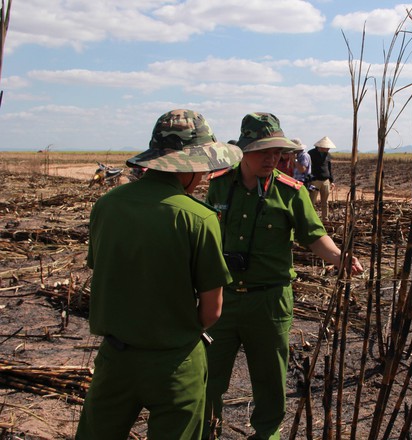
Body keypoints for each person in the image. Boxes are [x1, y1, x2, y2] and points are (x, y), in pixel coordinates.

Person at [76, 109, 243, 440]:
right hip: (176, 362)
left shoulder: (108, 205)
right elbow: (212, 311)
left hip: (114, 358)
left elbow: (104, 271)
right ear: (190, 166)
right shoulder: (200, 218)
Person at [204, 112, 363, 440]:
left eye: (277, 152)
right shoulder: (219, 186)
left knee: (270, 381)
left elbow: (313, 235)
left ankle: (267, 435)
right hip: (223, 299)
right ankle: (206, 431)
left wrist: (338, 257)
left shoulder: (291, 192)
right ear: (245, 151)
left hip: (271, 301)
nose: (272, 158)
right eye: (264, 151)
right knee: (208, 377)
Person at [309, 136, 336, 221]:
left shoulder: (328, 155)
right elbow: (308, 167)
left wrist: (331, 180)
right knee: (312, 201)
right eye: (327, 147)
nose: (328, 149)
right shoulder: (311, 153)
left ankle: (325, 218)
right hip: (314, 181)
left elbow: (329, 167)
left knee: (325, 202)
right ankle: (312, 218)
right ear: (321, 146)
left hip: (326, 181)